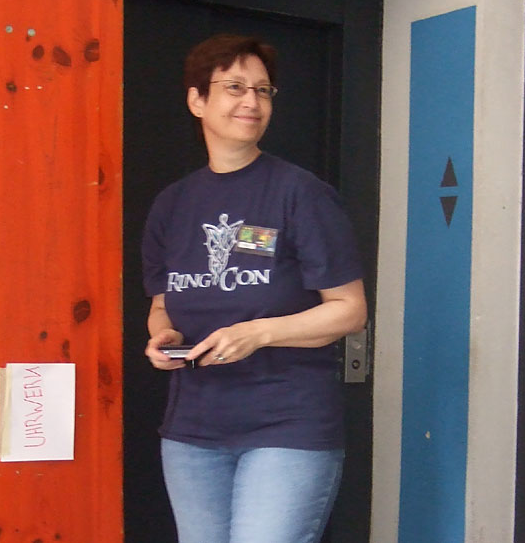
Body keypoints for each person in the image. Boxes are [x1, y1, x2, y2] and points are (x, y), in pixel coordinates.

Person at [141, 34, 367, 543]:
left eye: (263, 91)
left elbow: (349, 310)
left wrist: (258, 333)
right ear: (197, 100)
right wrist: (163, 337)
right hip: (192, 431)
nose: (251, 101)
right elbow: (162, 304)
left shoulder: (301, 193)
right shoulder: (171, 206)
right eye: (235, 87)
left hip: (287, 427)